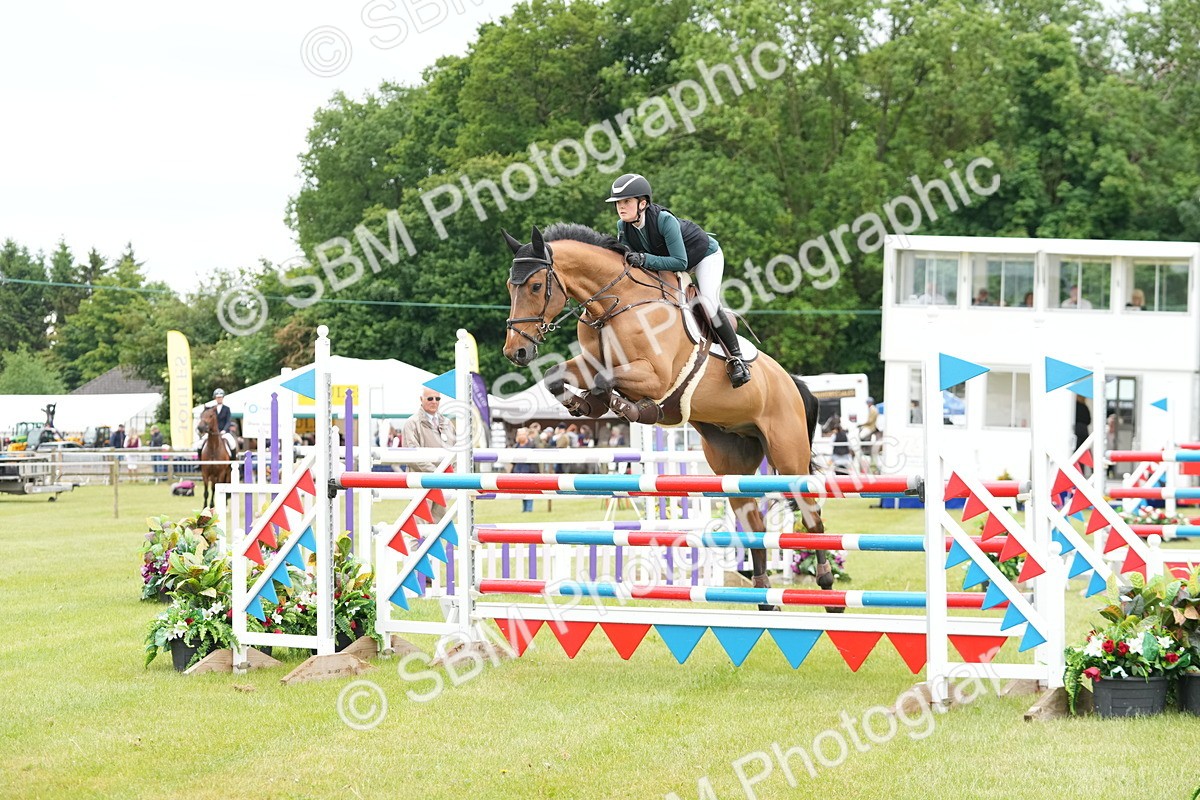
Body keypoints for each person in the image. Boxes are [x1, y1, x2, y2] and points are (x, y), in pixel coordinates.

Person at [606, 173, 751, 388]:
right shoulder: (623, 226)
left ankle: (737, 360)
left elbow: (681, 262)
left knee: (709, 302)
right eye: (618, 202)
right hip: (667, 263)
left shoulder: (664, 220)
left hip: (703, 257)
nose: (621, 207)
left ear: (643, 203)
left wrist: (644, 258)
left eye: (626, 201)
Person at [403, 389, 452, 521]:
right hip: (421, 482)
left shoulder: (447, 423)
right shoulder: (411, 423)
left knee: (440, 527)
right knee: (418, 530)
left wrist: (452, 474)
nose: (434, 402)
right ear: (421, 399)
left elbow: (455, 450)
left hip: (442, 483)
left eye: (437, 399)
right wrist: (437, 472)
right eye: (430, 399)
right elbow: (412, 456)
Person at [512, 431, 537, 512]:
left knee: (530, 491)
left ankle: (529, 509)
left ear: (526, 435)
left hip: (529, 471)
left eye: (522, 434)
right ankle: (524, 508)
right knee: (521, 491)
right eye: (519, 434)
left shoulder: (532, 445)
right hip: (518, 471)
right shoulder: (516, 446)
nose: (520, 436)